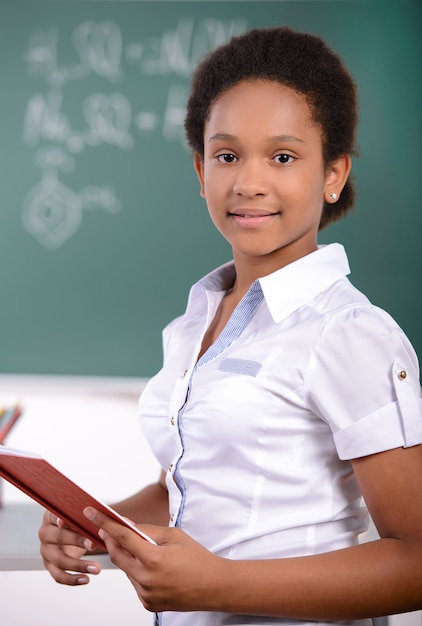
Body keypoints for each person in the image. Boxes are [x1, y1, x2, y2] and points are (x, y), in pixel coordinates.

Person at [38, 27, 422, 626]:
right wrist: (92, 523)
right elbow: (190, 487)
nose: (249, 182)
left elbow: (416, 561)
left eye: (284, 156)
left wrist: (222, 584)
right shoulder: (196, 321)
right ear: (200, 171)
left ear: (334, 174)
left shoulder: (348, 333)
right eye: (226, 155)